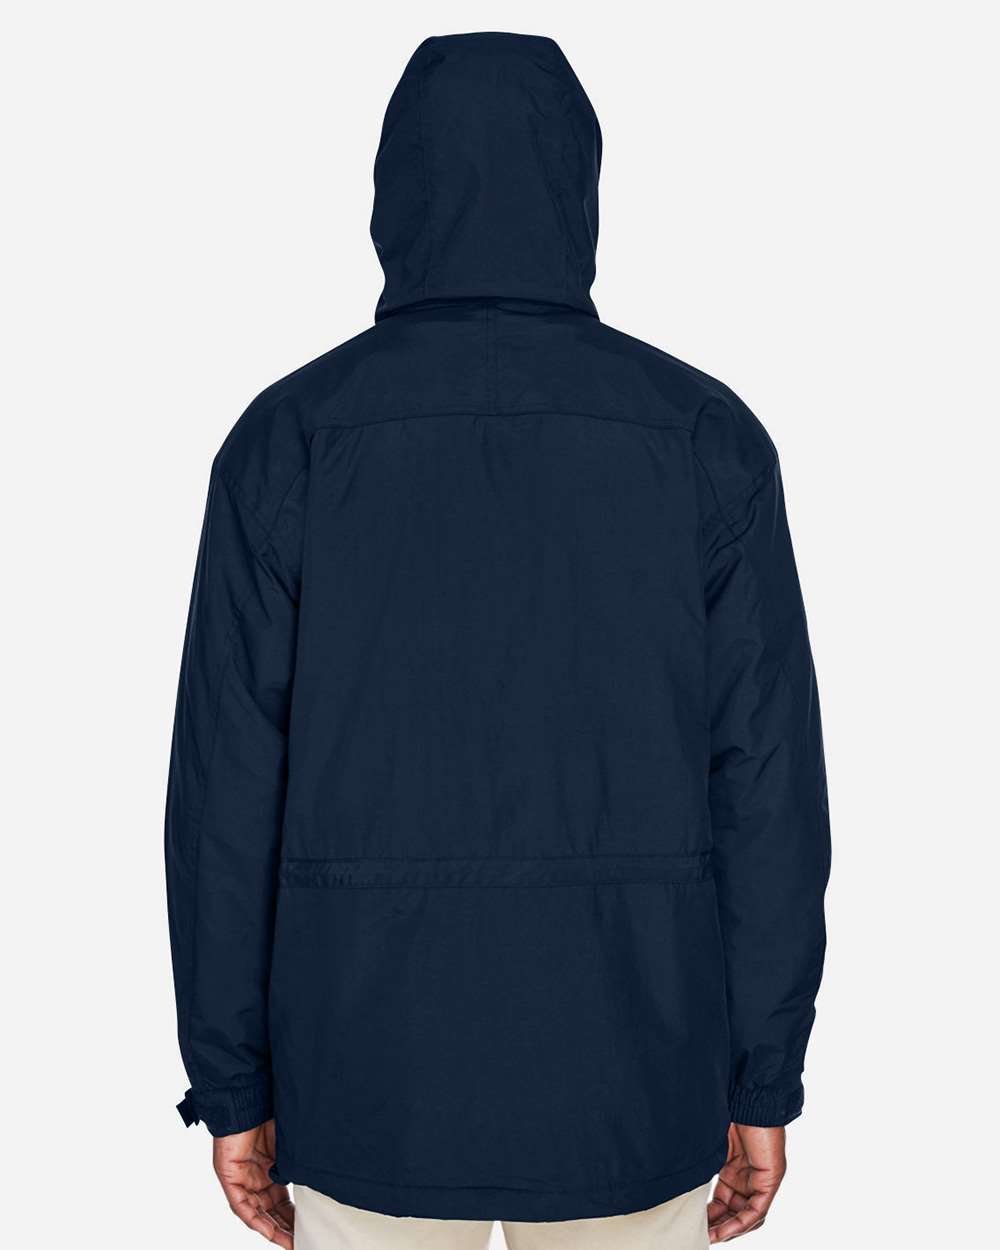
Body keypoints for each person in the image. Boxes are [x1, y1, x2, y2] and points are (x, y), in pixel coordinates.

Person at [165, 32, 830, 1249]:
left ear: (395, 190)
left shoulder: (289, 438)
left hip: (365, 1070)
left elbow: (223, 798)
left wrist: (234, 1084)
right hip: (633, 1071)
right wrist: (762, 1081)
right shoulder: (703, 436)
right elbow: (768, 790)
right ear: (578, 188)